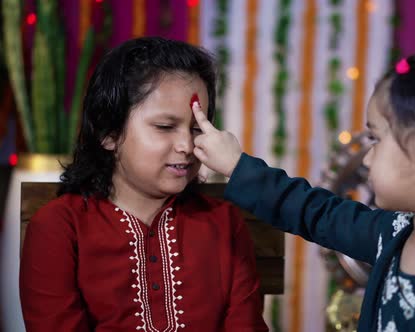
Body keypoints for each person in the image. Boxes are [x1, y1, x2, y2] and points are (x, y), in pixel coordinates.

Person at [191, 49, 415, 331]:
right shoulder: (391, 235)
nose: (367, 158)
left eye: (376, 138)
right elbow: (312, 211)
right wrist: (237, 166)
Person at [20, 37, 268, 332]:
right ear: (109, 133)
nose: (187, 145)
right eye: (165, 127)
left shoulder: (224, 223)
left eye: (196, 129)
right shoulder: (60, 227)